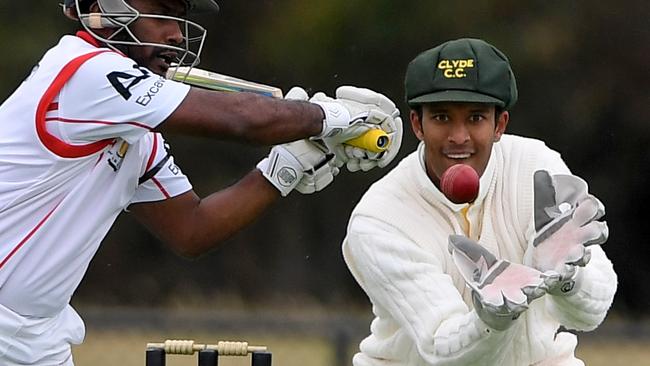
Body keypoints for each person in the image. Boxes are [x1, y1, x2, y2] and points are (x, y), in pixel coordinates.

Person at [0, 0, 403, 364]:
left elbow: (191, 229)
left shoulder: (138, 134)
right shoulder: (85, 70)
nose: (176, 32)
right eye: (161, 12)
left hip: (39, 339)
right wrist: (331, 116)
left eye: (181, 16)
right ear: (105, 9)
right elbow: (242, 120)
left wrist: (284, 168)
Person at [342, 38, 617, 366]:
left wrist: (566, 274)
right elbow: (444, 349)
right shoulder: (380, 218)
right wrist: (493, 318)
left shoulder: (536, 168)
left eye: (475, 118)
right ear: (417, 124)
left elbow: (591, 314)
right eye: (442, 117)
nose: (459, 136)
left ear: (499, 124)